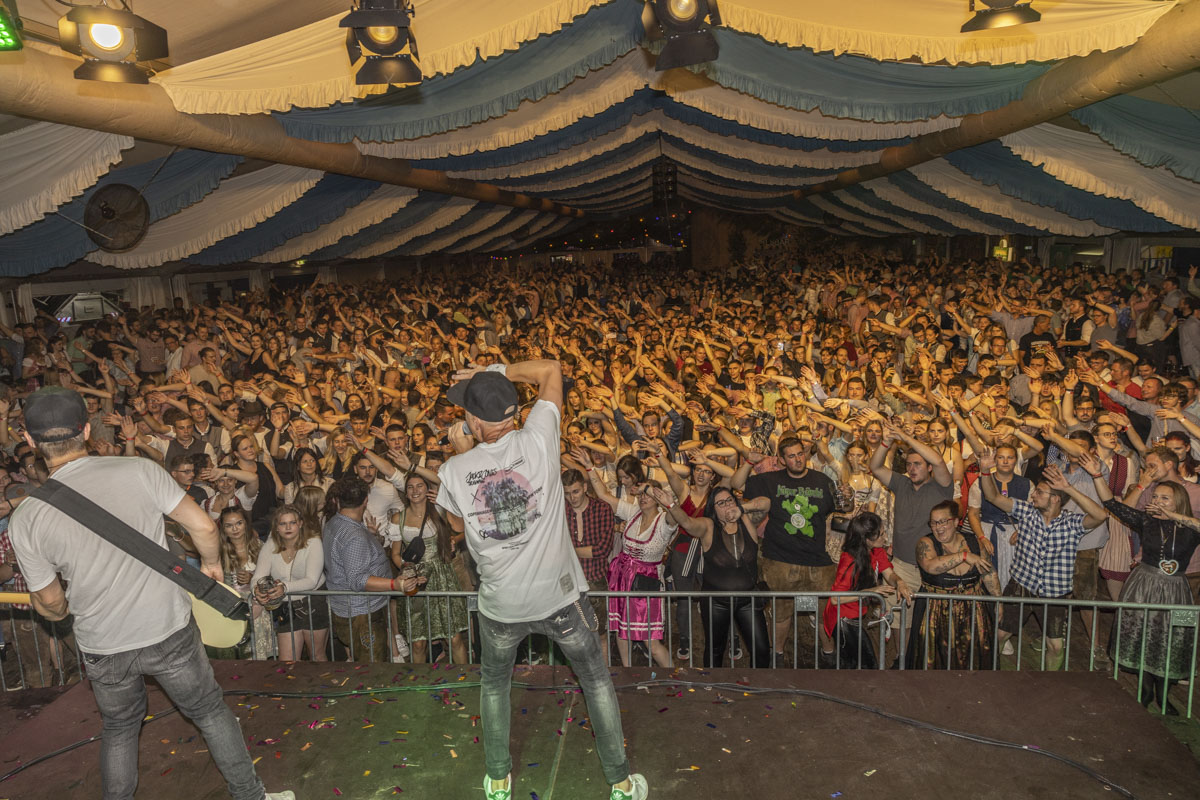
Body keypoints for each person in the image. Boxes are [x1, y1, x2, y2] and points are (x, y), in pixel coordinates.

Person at [6, 387, 295, 800]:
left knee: (120, 728)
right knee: (210, 712)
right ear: (87, 429)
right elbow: (204, 528)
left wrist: (49, 606)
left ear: (31, 442)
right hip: (166, 628)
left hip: (104, 644)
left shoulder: (27, 517)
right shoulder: (136, 471)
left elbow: (52, 606)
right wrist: (212, 566)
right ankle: (251, 796)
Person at [433, 360, 646, 800]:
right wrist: (496, 368)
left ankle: (496, 780)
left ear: (474, 421)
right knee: (595, 681)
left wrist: (462, 456)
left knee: (494, 685)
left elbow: (456, 523)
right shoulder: (540, 438)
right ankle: (621, 783)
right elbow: (551, 369)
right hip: (560, 600)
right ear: (512, 414)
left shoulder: (453, 470)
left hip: (500, 607)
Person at [1079, 452, 1199, 714]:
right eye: (1155, 498)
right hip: (1144, 583)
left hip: (1177, 588)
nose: (1157, 502)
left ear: (1178, 502)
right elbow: (1112, 504)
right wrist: (1097, 475)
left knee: (1171, 641)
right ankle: (1145, 693)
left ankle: (1164, 696)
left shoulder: (1190, 528)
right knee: (1144, 638)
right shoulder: (1146, 522)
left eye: (1164, 498)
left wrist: (1176, 517)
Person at [977, 449, 1107, 670]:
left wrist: (1068, 488)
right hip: (1022, 586)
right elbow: (993, 497)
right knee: (999, 635)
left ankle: (1050, 683)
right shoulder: (1027, 512)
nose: (1033, 495)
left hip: (1054, 592)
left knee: (1055, 646)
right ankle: (991, 674)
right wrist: (985, 471)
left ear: (1055, 499)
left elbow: (1100, 516)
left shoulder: (1071, 523)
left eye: (1039, 492)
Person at [740, 433, 838, 665]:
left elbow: (831, 514)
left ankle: (830, 654)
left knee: (823, 613)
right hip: (781, 560)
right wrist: (748, 461)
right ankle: (777, 655)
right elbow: (737, 484)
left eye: (800, 454)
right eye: (791, 456)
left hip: (818, 560)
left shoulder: (822, 481)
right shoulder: (769, 480)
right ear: (782, 460)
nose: (797, 459)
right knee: (781, 612)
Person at [657, 484, 772, 667]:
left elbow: (766, 503)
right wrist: (671, 506)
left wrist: (741, 509)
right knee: (715, 649)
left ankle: (759, 688)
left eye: (729, 501)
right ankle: (712, 687)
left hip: (748, 599)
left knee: (762, 649)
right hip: (715, 601)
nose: (726, 505)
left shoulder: (748, 521)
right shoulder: (708, 526)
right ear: (713, 509)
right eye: (720, 503)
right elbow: (687, 523)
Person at [322, 476, 419, 662]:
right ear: (365, 501)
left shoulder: (335, 522)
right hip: (362, 613)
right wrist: (394, 584)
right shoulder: (354, 535)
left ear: (338, 500)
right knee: (371, 669)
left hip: (351, 608)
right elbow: (358, 580)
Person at [382, 472, 469, 665]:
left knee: (453, 637)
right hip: (416, 581)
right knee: (418, 643)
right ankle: (417, 683)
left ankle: (465, 679)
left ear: (427, 489)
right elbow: (395, 553)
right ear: (405, 491)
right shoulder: (398, 518)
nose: (415, 491)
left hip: (442, 577)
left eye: (419, 486)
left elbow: (464, 529)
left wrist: (453, 540)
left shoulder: (438, 510)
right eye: (410, 487)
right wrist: (407, 569)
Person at [910, 500, 1002, 670]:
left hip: (974, 610)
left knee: (975, 657)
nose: (938, 527)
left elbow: (989, 573)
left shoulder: (974, 542)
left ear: (955, 521)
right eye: (933, 523)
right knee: (937, 660)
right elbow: (930, 566)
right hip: (936, 612)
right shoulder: (926, 543)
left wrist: (998, 601)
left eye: (942, 521)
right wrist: (964, 556)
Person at [820, 512, 912, 669]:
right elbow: (835, 599)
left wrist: (900, 582)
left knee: (859, 664)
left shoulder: (877, 551)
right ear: (867, 539)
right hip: (842, 618)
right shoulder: (849, 560)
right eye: (881, 534)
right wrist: (871, 591)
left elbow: (889, 574)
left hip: (858, 616)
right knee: (867, 665)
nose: (885, 537)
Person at [252, 504, 329, 662]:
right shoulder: (271, 544)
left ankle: (321, 687)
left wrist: (285, 587)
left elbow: (312, 581)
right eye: (282, 523)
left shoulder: (313, 542)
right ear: (277, 527)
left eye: (292, 523)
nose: (288, 527)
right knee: (287, 660)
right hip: (286, 607)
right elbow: (258, 575)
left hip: (313, 602)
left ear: (300, 524)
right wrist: (256, 590)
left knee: (317, 656)